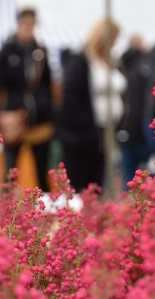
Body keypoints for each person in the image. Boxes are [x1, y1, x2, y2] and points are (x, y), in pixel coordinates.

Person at [0, 7, 54, 192]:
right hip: (14, 117)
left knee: (42, 170)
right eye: (25, 23)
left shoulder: (40, 51)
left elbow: (47, 85)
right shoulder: (7, 52)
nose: (28, 27)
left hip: (39, 118)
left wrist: (48, 110)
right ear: (18, 24)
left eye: (31, 24)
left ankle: (45, 208)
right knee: (10, 171)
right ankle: (4, 211)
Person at [59, 19, 125, 193]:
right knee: (81, 183)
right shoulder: (80, 61)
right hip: (83, 136)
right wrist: (84, 126)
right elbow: (71, 98)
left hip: (105, 133)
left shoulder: (111, 62)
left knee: (97, 183)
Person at [118, 35, 150, 189]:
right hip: (140, 130)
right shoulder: (145, 67)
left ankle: (127, 210)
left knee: (129, 177)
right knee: (145, 176)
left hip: (125, 129)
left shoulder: (121, 67)